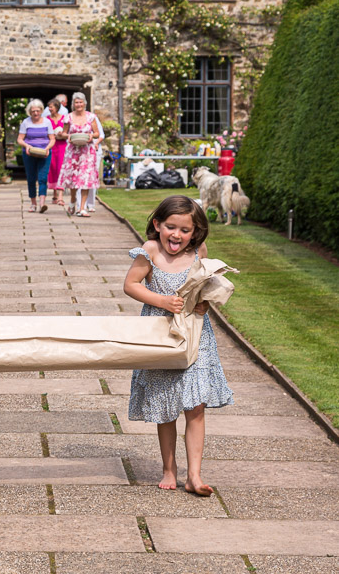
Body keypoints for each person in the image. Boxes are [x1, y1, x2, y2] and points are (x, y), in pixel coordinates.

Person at [123, 195, 233, 496]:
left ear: (195, 232)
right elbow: (130, 284)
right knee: (167, 405)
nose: (177, 235)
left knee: (196, 406)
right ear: (157, 224)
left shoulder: (199, 252)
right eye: (171, 227)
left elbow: (204, 287)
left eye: (185, 231)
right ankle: (169, 468)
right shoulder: (149, 251)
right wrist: (161, 301)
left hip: (196, 337)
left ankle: (194, 475)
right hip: (161, 335)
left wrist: (204, 305)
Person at [58, 92, 100, 217]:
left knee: (86, 180)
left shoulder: (91, 117)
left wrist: (92, 135)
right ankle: (72, 202)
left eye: (81, 102)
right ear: (73, 104)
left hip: (87, 151)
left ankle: (82, 208)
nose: (79, 104)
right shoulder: (68, 117)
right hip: (73, 152)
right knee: (73, 180)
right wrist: (68, 136)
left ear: (85, 103)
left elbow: (97, 133)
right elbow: (64, 133)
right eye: (76, 102)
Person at [16, 99, 55, 213]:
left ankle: (42, 203)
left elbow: (52, 139)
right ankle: (33, 203)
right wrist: (27, 146)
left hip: (44, 153)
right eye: (33, 111)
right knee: (31, 178)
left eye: (38, 111)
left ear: (41, 111)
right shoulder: (26, 122)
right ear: (30, 112)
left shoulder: (47, 122)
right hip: (29, 153)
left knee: (43, 178)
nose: (36, 113)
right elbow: (20, 139)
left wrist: (47, 148)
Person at [46, 99, 69, 206]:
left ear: (57, 107)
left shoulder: (65, 119)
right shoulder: (46, 119)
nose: (49, 109)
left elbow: (69, 132)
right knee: (53, 169)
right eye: (49, 107)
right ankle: (54, 194)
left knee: (61, 169)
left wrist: (62, 135)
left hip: (62, 146)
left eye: (51, 107)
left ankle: (60, 196)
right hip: (51, 146)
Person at [85, 112, 105, 213]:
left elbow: (101, 135)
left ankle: (91, 203)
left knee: (92, 177)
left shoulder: (93, 118)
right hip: (82, 151)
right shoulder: (75, 118)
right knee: (82, 177)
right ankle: (81, 204)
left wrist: (96, 143)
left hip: (94, 151)